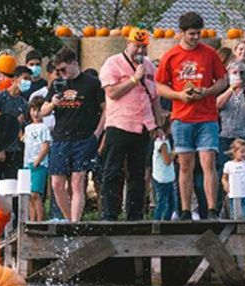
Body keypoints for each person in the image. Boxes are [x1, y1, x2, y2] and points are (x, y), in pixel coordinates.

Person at [156, 12, 228, 220]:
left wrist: (208, 91)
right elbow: (160, 86)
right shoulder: (171, 55)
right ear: (182, 33)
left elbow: (222, 80)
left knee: (208, 161)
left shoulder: (210, 53)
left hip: (206, 116)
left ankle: (212, 209)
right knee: (185, 164)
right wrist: (178, 95)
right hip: (182, 117)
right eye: (192, 34)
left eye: (199, 33)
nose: (196, 37)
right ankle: (185, 210)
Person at [98, 27, 163, 221]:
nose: (140, 51)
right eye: (137, 46)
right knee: (113, 170)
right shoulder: (113, 63)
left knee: (138, 172)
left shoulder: (150, 66)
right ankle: (110, 213)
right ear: (128, 44)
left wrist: (158, 125)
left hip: (143, 125)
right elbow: (112, 93)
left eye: (144, 47)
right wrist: (135, 79)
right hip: (119, 123)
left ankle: (135, 213)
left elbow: (155, 98)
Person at [42, 48, 105, 222]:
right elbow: (42, 111)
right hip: (61, 137)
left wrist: (97, 133)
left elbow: (105, 109)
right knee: (57, 184)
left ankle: (75, 222)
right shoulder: (57, 84)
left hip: (83, 137)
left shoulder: (92, 83)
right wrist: (53, 104)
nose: (61, 74)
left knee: (78, 180)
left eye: (64, 69)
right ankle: (68, 219)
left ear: (74, 63)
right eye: (58, 71)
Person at [0, 66, 31, 179]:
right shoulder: (0, 97)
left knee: (11, 184)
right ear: (15, 79)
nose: (28, 82)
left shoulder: (23, 103)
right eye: (25, 78)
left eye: (30, 79)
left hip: (14, 149)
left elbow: (20, 127)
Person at [217, 61, 245, 165]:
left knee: (243, 166)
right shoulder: (223, 89)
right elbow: (218, 105)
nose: (238, 75)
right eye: (235, 73)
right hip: (224, 136)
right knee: (224, 167)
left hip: (244, 136)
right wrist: (232, 89)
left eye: (241, 73)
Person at [23, 97, 52, 221]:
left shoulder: (44, 128)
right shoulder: (27, 128)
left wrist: (38, 160)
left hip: (39, 165)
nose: (35, 113)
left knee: (36, 194)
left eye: (38, 110)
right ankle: (32, 220)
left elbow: (46, 147)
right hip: (27, 164)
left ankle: (40, 221)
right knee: (28, 195)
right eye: (33, 110)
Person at [222, 138, 245, 219]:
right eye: (241, 152)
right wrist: (225, 184)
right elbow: (224, 177)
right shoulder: (228, 164)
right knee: (234, 214)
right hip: (234, 194)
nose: (244, 154)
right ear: (234, 152)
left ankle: (243, 229)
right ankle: (235, 230)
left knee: (244, 214)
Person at [152, 124, 176, 220]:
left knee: (171, 204)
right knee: (163, 204)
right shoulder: (163, 144)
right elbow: (167, 160)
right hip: (162, 178)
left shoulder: (166, 141)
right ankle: (157, 221)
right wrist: (175, 151)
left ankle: (166, 221)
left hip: (167, 177)